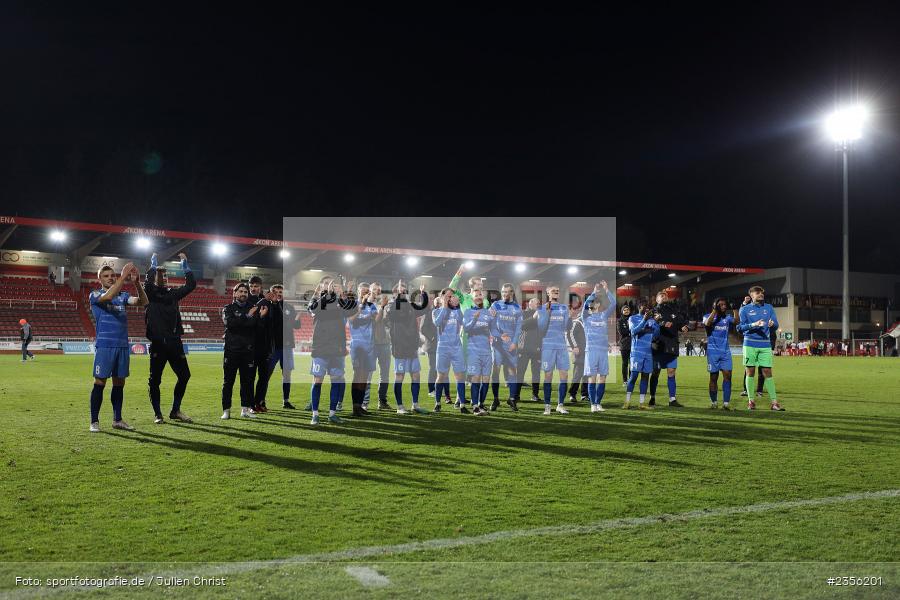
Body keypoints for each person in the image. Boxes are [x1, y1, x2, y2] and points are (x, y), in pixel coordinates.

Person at [88, 262, 147, 432]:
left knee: (119, 384)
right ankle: (94, 421)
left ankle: (117, 420)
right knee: (100, 382)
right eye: (106, 276)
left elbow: (143, 302)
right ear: (99, 279)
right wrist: (123, 275)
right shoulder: (95, 295)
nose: (110, 278)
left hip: (122, 345)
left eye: (112, 275)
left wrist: (137, 284)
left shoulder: (122, 296)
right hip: (105, 346)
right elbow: (107, 297)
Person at [144, 252, 196, 424]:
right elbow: (147, 282)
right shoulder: (149, 293)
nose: (162, 277)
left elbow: (191, 285)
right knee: (155, 380)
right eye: (159, 274)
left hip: (175, 342)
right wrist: (153, 265)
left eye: (164, 274)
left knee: (185, 376)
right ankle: (158, 414)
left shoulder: (173, 294)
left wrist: (185, 264)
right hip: (158, 343)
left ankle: (175, 410)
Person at [307, 280, 353, 424]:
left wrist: (345, 295)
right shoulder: (315, 301)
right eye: (326, 283)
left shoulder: (340, 302)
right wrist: (327, 295)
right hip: (320, 348)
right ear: (320, 286)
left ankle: (332, 414)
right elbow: (314, 310)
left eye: (332, 284)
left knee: (336, 380)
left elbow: (350, 312)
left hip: (337, 349)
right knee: (318, 380)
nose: (330, 286)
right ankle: (315, 414)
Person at [221, 282, 267, 419]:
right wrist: (247, 317)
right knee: (228, 382)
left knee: (246, 382)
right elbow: (230, 324)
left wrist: (261, 317)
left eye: (245, 292)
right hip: (231, 350)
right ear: (235, 294)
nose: (243, 294)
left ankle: (245, 410)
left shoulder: (253, 308)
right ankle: (226, 410)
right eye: (240, 291)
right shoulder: (228, 308)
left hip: (248, 351)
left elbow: (256, 328)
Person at [384, 280, 429, 414]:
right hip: (400, 348)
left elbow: (425, 309)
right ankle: (400, 407)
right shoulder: (391, 306)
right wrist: (398, 298)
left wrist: (423, 294)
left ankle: (415, 405)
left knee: (416, 376)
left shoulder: (410, 306)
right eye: (400, 291)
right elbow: (392, 316)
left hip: (412, 347)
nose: (403, 293)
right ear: (395, 294)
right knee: (400, 376)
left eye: (404, 291)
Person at [737, 285, 783, 411]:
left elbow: (776, 324)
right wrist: (754, 324)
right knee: (750, 371)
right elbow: (740, 328)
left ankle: (774, 403)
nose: (760, 294)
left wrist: (772, 325)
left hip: (765, 344)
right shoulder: (745, 309)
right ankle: (751, 401)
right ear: (751, 295)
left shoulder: (769, 308)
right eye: (757, 292)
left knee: (768, 372)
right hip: (750, 344)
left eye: (762, 292)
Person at [261, 284, 302, 409]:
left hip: (287, 346)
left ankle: (286, 401)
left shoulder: (289, 307)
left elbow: (296, 326)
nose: (279, 293)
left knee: (287, 374)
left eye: (281, 291)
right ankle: (261, 400)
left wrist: (297, 320)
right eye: (276, 291)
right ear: (271, 292)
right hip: (272, 347)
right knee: (267, 374)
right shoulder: (267, 306)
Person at [432, 289, 469, 413]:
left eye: (451, 296)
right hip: (442, 347)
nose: (450, 298)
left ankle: (462, 405)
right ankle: (437, 403)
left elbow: (462, 322)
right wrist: (444, 306)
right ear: (442, 297)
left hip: (456, 347)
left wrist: (457, 306)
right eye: (447, 296)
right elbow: (437, 323)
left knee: (460, 376)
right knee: (441, 376)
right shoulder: (436, 311)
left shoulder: (457, 311)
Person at [648, 291, 688, 407]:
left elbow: (680, 322)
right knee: (656, 372)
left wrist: (683, 326)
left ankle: (672, 399)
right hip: (658, 345)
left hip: (672, 344)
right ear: (657, 299)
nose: (664, 296)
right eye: (661, 295)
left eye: (665, 295)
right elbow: (654, 321)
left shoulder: (673, 310)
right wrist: (663, 323)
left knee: (671, 372)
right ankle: (652, 397)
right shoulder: (653, 311)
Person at [536, 285, 571, 415]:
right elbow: (541, 328)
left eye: (557, 290)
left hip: (561, 345)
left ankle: (560, 405)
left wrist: (570, 319)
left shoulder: (564, 308)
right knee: (548, 376)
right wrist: (548, 313)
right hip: (548, 346)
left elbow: (567, 326)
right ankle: (547, 405)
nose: (556, 292)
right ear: (548, 293)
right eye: (553, 291)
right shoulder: (543, 308)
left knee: (564, 376)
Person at [582, 281, 616, 413]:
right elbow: (585, 305)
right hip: (591, 350)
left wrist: (607, 290)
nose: (592, 304)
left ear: (598, 305)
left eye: (595, 302)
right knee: (592, 378)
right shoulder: (585, 317)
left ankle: (598, 403)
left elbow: (613, 304)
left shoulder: (603, 315)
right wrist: (594, 292)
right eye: (591, 302)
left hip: (602, 351)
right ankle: (592, 404)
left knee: (602, 377)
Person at [489, 283, 523, 411]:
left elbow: (519, 328)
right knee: (496, 370)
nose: (505, 294)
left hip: (511, 344)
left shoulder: (517, 308)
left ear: (512, 293)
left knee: (512, 371)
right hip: (498, 343)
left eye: (508, 292)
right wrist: (498, 335)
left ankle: (512, 399)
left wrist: (514, 342)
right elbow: (490, 324)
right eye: (503, 292)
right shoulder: (495, 305)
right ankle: (495, 399)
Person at [463, 289, 496, 415]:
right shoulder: (468, 312)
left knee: (486, 379)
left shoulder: (488, 313)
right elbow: (466, 329)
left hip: (487, 351)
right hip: (473, 351)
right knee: (476, 378)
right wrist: (474, 320)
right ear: (472, 298)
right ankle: (475, 406)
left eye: (480, 295)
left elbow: (493, 330)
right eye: (476, 295)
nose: (478, 297)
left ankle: (481, 404)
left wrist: (502, 335)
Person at [347, 282, 377, 417]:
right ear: (358, 291)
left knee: (365, 377)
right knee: (357, 375)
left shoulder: (371, 306)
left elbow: (377, 319)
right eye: (363, 291)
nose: (365, 293)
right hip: (357, 345)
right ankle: (355, 407)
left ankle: (360, 406)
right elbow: (351, 321)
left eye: (367, 292)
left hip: (369, 345)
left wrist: (379, 305)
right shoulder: (352, 305)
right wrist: (362, 305)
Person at [624, 300, 659, 409]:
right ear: (639, 307)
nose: (647, 308)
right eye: (645, 306)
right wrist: (644, 320)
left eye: (648, 306)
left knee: (645, 377)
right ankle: (627, 402)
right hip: (636, 352)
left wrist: (656, 323)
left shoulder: (652, 320)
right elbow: (633, 331)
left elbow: (656, 335)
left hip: (648, 353)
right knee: (633, 377)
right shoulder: (632, 318)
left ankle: (641, 403)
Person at [703, 297, 736, 409]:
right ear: (715, 305)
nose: (723, 306)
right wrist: (714, 311)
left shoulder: (727, 317)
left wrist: (734, 309)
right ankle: (714, 403)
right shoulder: (707, 316)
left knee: (728, 376)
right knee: (713, 377)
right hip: (713, 353)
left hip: (725, 352)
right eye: (720, 305)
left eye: (724, 304)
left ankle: (726, 404)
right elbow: (708, 324)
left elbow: (737, 321)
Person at [364, 281, 392, 411]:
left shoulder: (385, 304)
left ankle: (382, 401)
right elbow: (377, 320)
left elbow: (388, 321)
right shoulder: (367, 304)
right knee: (368, 374)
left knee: (385, 375)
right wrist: (382, 307)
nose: (376, 291)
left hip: (385, 343)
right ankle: (365, 402)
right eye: (374, 289)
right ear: (370, 290)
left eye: (379, 289)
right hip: (372, 343)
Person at [516, 297, 543, 403]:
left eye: (539, 303)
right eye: (537, 303)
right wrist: (533, 317)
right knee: (520, 372)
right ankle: (516, 395)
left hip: (537, 349)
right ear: (530, 304)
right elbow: (521, 325)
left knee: (536, 373)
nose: (539, 305)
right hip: (524, 348)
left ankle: (535, 395)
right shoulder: (523, 313)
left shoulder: (541, 316)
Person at [566, 303, 588, 404]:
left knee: (587, 374)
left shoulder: (588, 323)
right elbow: (570, 334)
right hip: (579, 352)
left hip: (588, 352)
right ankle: (572, 394)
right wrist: (575, 347)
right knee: (578, 374)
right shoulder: (577, 322)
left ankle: (584, 394)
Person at [617, 305, 632, 385]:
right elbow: (622, 332)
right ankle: (625, 380)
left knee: (632, 363)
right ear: (622, 311)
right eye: (625, 310)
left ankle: (631, 379)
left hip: (633, 344)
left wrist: (629, 331)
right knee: (625, 363)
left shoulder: (632, 319)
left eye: (628, 310)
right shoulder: (620, 321)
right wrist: (630, 331)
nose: (626, 311)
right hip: (624, 345)